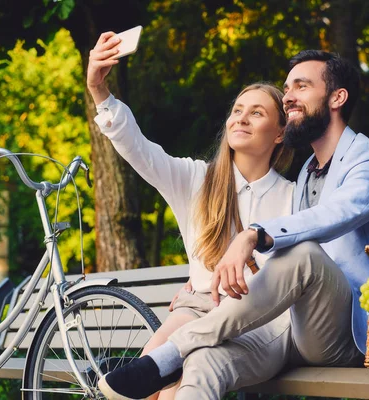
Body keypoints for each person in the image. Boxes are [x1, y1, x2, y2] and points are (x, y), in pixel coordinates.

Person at [98, 49, 369, 400]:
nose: (289, 96)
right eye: (287, 89)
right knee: (204, 364)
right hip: (278, 324)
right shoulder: (305, 173)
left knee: (303, 254)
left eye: (301, 87)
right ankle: (175, 356)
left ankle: (171, 353)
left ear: (337, 97)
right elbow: (140, 151)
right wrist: (199, 285)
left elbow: (337, 213)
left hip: (340, 329)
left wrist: (254, 234)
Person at [87, 32, 296, 399]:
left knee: (171, 390)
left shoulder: (293, 197)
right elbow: (138, 149)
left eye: (257, 112)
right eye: (237, 110)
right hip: (197, 307)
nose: (241, 119)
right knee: (148, 381)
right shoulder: (195, 179)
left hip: (258, 322)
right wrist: (99, 92)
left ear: (280, 133)